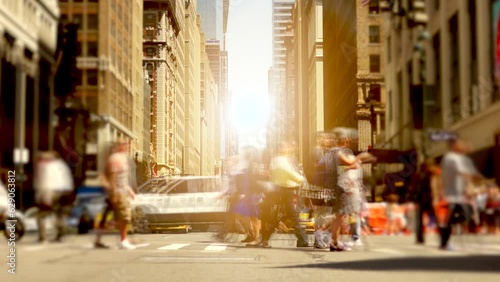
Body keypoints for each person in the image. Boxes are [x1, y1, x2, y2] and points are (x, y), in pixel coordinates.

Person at [247, 142, 310, 248]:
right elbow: (286, 172)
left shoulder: (288, 159)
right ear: (281, 148)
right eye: (286, 146)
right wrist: (301, 180)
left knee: (285, 215)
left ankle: (301, 239)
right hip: (282, 190)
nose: (290, 147)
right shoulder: (279, 160)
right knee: (280, 215)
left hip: (287, 190)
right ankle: (265, 239)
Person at [439, 138, 483, 250]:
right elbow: (464, 173)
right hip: (451, 195)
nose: (463, 145)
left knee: (460, 216)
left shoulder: (461, 158)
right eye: (460, 144)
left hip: (459, 195)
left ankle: (446, 241)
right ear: (454, 146)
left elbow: (471, 174)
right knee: (449, 219)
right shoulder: (450, 158)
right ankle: (444, 243)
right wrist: (473, 181)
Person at [101, 141, 136, 250]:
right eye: (125, 145)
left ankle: (101, 238)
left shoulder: (122, 158)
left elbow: (123, 178)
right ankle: (123, 240)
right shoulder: (115, 159)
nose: (127, 147)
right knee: (124, 217)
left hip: (122, 190)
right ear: (119, 146)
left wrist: (129, 190)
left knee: (115, 217)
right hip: (118, 192)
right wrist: (115, 192)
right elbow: (112, 177)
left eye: (128, 145)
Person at [34, 151, 75, 242]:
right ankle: (60, 234)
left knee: (42, 215)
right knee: (60, 214)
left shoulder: (45, 165)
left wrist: (43, 197)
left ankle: (43, 236)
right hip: (64, 191)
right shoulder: (61, 164)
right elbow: (67, 179)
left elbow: (45, 181)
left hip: (50, 191)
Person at [410, 158, 440, 244]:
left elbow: (414, 189)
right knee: (438, 218)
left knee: (419, 220)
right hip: (430, 198)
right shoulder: (433, 174)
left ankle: (420, 239)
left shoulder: (418, 175)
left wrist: (415, 199)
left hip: (421, 199)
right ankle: (442, 236)